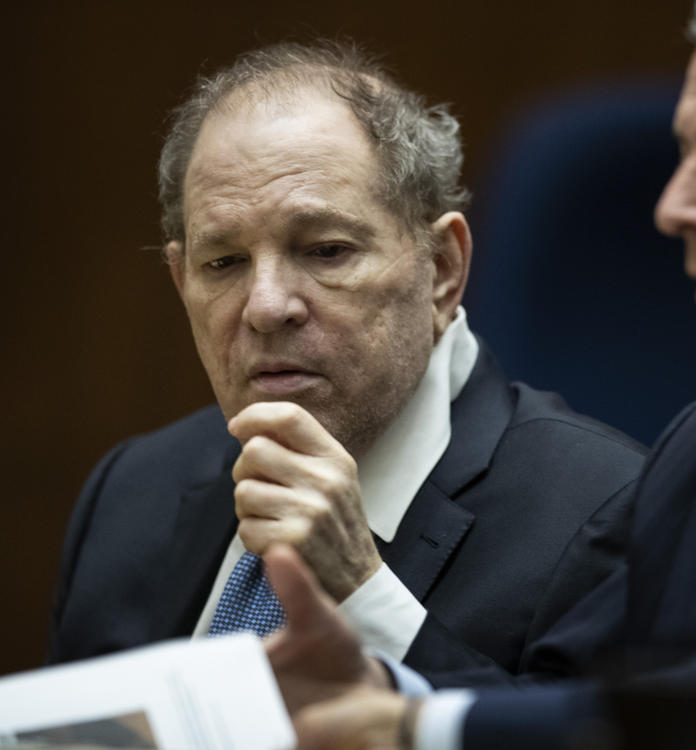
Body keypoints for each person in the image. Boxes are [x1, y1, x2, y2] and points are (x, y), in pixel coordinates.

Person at [263, 1, 696, 747]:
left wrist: (419, 727)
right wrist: (382, 691)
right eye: (685, 159)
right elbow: (587, 712)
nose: (672, 209)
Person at [47, 41, 648, 682]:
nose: (266, 306)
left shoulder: (610, 516)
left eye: (326, 251)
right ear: (180, 281)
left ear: (442, 269)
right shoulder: (130, 492)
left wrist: (364, 595)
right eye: (223, 263)